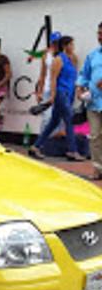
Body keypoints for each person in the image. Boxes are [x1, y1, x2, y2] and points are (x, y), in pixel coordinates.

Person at [30, 36, 83, 161]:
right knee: (69, 120)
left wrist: (77, 91)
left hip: (68, 94)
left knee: (54, 122)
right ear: (65, 46)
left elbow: (74, 77)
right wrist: (52, 96)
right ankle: (73, 150)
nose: (73, 47)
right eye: (71, 45)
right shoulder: (59, 59)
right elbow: (53, 79)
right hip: (60, 93)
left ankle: (36, 146)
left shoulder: (72, 59)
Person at [77, 21, 102, 179]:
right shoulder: (92, 55)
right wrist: (79, 89)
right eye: (98, 33)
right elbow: (84, 75)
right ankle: (98, 168)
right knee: (94, 136)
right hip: (93, 103)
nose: (100, 37)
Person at [35, 32, 63, 135]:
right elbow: (42, 74)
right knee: (46, 117)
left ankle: (55, 143)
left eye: (58, 43)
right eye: (54, 43)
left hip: (61, 90)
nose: (56, 45)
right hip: (48, 89)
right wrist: (39, 91)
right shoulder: (46, 55)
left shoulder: (64, 55)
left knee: (58, 118)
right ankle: (42, 142)